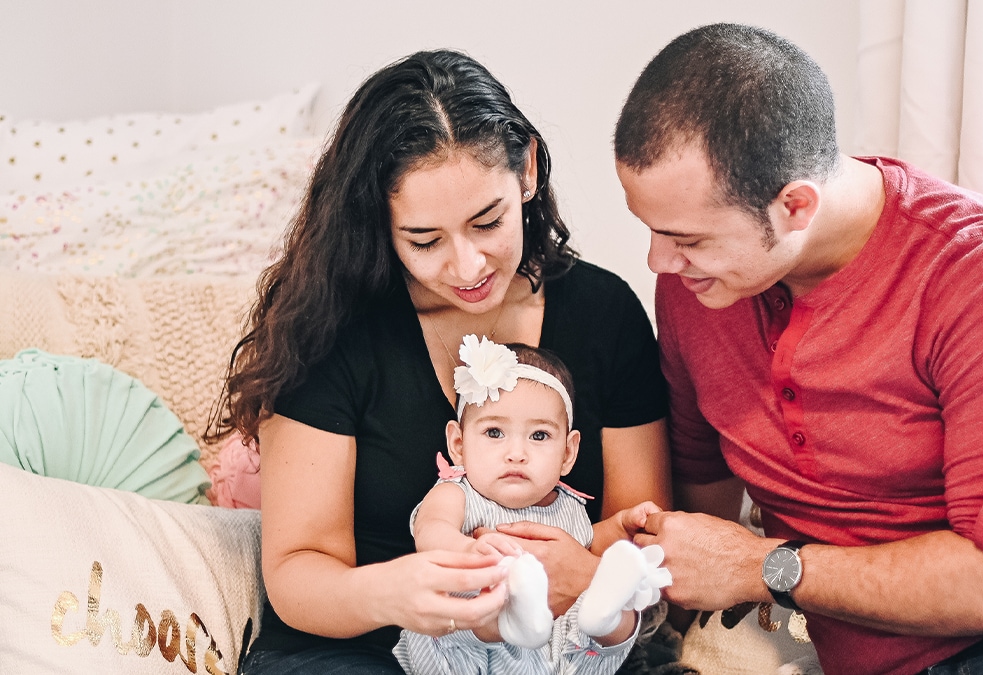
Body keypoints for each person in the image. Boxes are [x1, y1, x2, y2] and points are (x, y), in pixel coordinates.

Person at [614, 22, 983, 675]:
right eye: (653, 230)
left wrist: (764, 566)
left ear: (796, 206)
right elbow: (703, 520)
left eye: (686, 238)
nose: (659, 260)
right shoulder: (696, 291)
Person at [206, 49, 671, 674]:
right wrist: (397, 591)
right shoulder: (331, 326)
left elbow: (641, 529)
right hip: (362, 649)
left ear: (528, 170)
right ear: (381, 221)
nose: (468, 267)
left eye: (488, 222)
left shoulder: (604, 313)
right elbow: (296, 572)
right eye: (424, 241)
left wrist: (585, 573)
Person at [394, 337, 671, 674]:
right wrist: (470, 551)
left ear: (568, 453)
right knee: (480, 606)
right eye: (495, 432)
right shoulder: (457, 493)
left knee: (624, 611)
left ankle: (605, 615)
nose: (516, 453)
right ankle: (515, 621)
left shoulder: (568, 505)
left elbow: (586, 544)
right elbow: (431, 530)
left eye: (539, 435)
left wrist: (618, 527)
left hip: (555, 655)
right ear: (458, 444)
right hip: (473, 651)